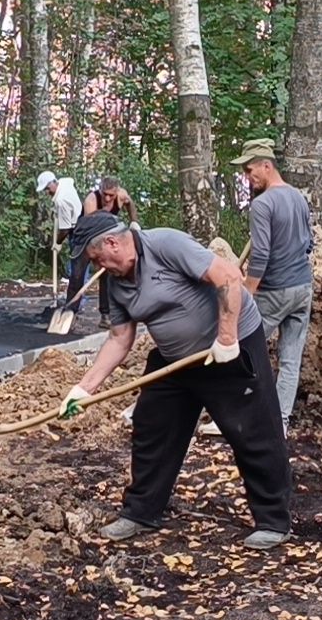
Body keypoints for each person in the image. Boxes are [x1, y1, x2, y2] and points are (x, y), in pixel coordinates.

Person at [60, 213, 293, 549]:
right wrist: (84, 389)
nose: (98, 267)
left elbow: (228, 277)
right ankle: (142, 511)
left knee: (252, 430)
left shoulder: (166, 244)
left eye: (97, 259)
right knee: (152, 426)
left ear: (112, 243)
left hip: (227, 348)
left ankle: (273, 520)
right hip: (175, 360)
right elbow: (120, 338)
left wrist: (227, 338)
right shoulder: (115, 282)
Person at [231, 139, 313, 431]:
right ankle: (280, 422)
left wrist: (247, 292)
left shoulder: (263, 204)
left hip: (274, 292)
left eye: (250, 170)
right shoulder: (298, 197)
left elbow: (261, 254)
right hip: (303, 288)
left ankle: (234, 413)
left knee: (240, 349)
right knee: (290, 360)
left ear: (267, 165)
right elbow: (309, 243)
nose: (248, 177)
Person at [82, 176, 135, 325]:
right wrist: (96, 257)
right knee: (78, 275)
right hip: (86, 236)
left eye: (111, 195)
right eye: (104, 194)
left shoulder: (122, 195)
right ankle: (71, 310)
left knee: (109, 273)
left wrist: (134, 222)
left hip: (108, 237)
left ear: (117, 192)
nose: (107, 198)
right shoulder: (91, 201)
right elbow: (89, 229)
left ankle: (106, 315)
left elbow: (130, 204)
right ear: (100, 189)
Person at [37, 170, 85, 309]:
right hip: (81, 222)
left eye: (47, 189)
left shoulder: (61, 200)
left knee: (76, 271)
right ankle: (76, 302)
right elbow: (70, 180)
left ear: (53, 183)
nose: (47, 192)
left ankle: (76, 305)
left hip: (77, 231)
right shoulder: (65, 183)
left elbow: (65, 229)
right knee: (78, 270)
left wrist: (57, 243)